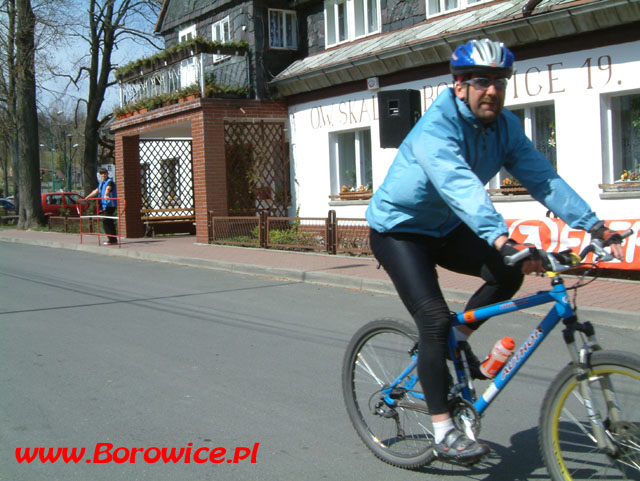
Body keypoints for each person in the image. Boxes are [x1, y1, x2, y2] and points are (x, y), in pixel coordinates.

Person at [365, 38, 624, 464]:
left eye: (500, 82)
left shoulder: (504, 128)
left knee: (508, 274)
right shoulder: (437, 126)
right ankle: (445, 431)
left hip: (446, 228)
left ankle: (454, 340)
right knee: (431, 318)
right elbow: (458, 185)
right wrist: (500, 237)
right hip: (400, 232)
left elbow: (544, 179)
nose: (492, 90)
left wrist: (594, 225)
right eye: (481, 81)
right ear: (459, 85)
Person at [85, 168, 118, 245]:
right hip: (104, 205)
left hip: (110, 205)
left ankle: (112, 240)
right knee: (108, 221)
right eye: (102, 174)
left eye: (105, 173)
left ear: (107, 174)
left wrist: (106, 195)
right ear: (100, 175)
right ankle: (113, 239)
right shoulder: (101, 183)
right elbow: (96, 191)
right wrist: (88, 197)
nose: (103, 175)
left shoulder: (110, 182)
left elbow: (108, 188)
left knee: (106, 220)